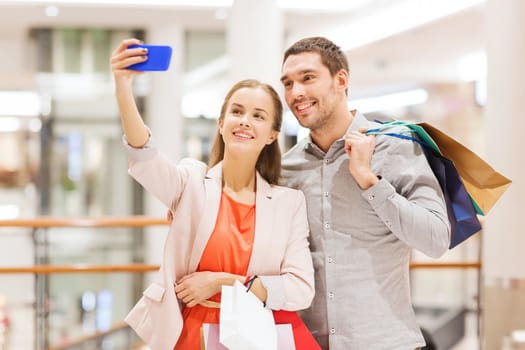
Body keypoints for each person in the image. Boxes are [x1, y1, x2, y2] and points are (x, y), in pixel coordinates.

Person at [110, 38, 317, 350]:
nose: (245, 120)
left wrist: (221, 281)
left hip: (254, 335)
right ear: (222, 123)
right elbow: (144, 154)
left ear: (273, 134)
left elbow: (301, 290)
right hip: (192, 334)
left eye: (258, 115)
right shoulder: (191, 182)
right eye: (237, 111)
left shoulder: (289, 204)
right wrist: (123, 88)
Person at [279, 36, 451, 349]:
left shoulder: (397, 147)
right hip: (306, 343)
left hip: (384, 342)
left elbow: (436, 239)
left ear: (340, 80)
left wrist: (370, 181)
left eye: (307, 78)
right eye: (288, 83)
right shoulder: (285, 168)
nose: (296, 93)